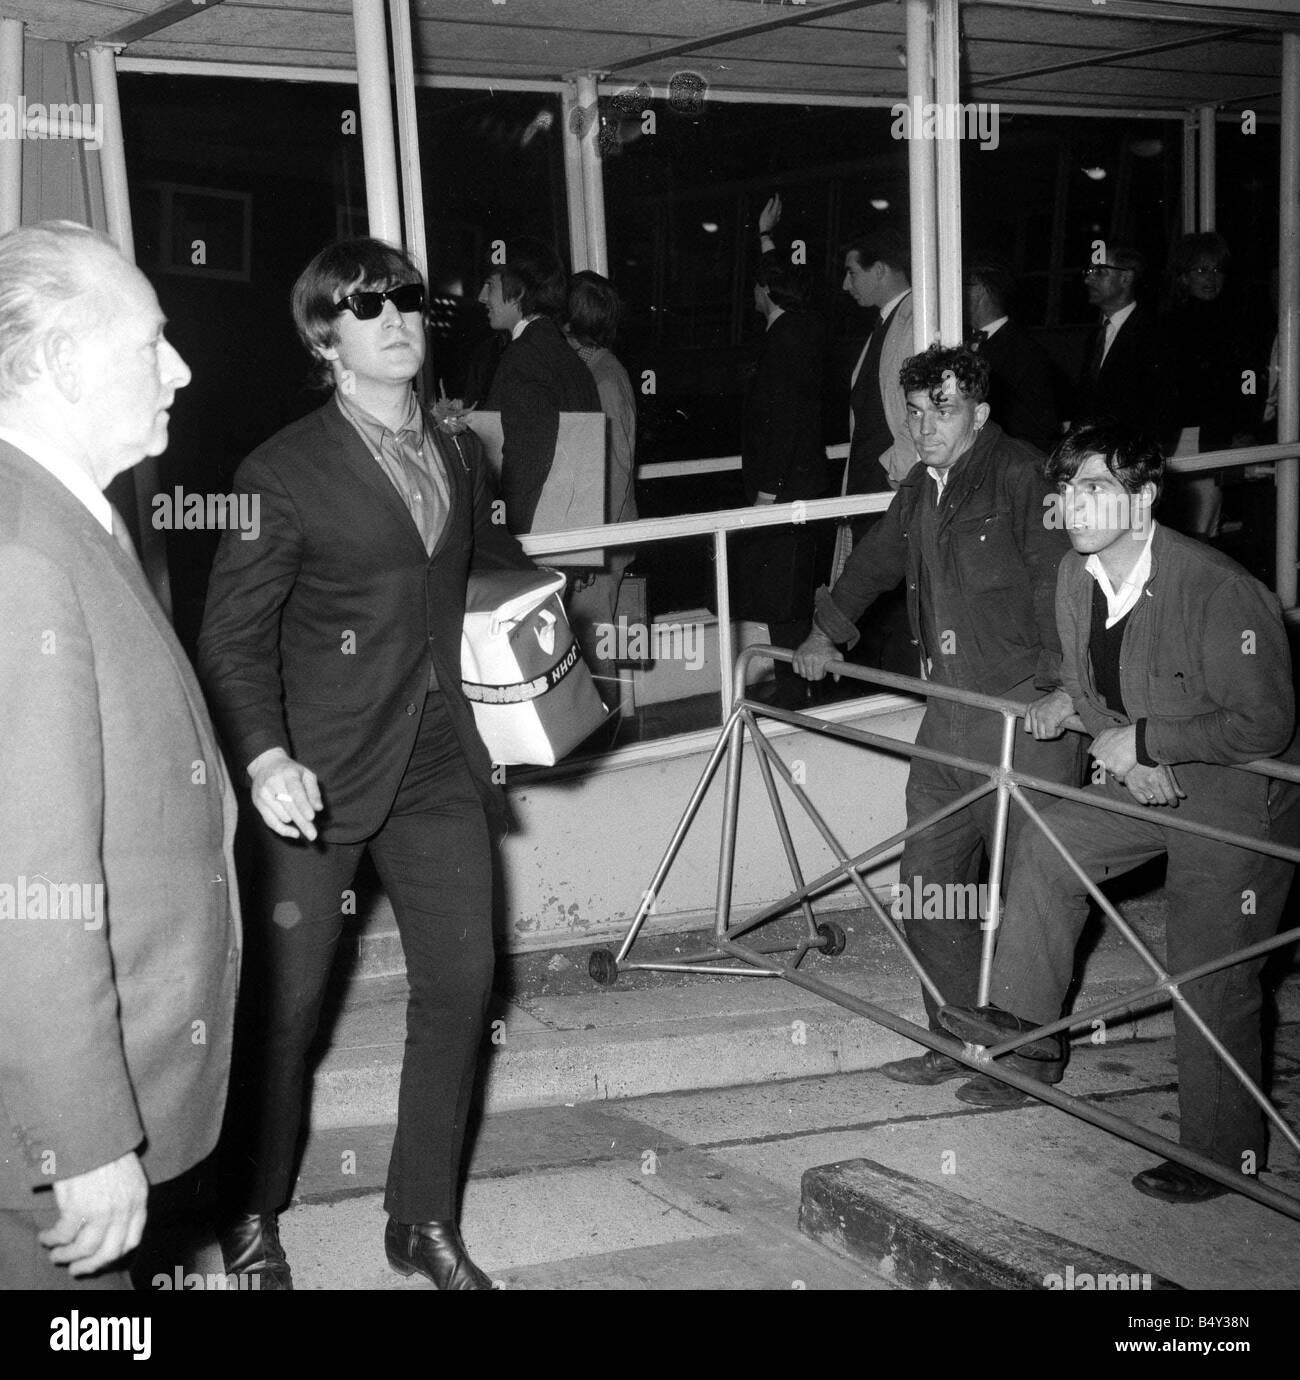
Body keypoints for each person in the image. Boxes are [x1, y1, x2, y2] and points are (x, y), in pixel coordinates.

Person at [198, 237, 535, 1289]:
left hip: (438, 761)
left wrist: (549, 657)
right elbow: (230, 639)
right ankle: (251, 1213)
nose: (396, 320)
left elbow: (474, 575)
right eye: (364, 306)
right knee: (288, 1009)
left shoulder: (457, 449)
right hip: (321, 775)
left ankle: (419, 1220)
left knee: (464, 981)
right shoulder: (280, 471)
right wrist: (264, 761)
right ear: (324, 336)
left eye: (407, 303)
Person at [938, 421, 1299, 1202]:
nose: (1074, 503)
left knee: (1209, 972)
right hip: (1151, 776)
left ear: (1143, 499)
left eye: (1096, 487)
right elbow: (1097, 689)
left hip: (1243, 798)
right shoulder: (1078, 575)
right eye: (1066, 488)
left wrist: (1150, 744)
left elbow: (1265, 724)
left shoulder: (1218, 589)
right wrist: (1105, 727)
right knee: (1050, 842)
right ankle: (1026, 1044)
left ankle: (1221, 1156)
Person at [0, 221, 240, 1288]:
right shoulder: (21, 554)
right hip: (50, 1137)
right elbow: (28, 885)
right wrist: (87, 1139)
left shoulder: (67, 519)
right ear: (58, 363)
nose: (180, 369)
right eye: (151, 343)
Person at [794, 345, 1080, 1094]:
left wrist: (1066, 692)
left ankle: (1030, 1062)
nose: (923, 427)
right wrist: (828, 629)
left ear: (979, 413)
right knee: (927, 883)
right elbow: (876, 564)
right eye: (915, 412)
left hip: (1026, 718)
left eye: (941, 410)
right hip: (949, 716)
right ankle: (957, 1040)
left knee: (1033, 901)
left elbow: (1068, 587)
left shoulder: (1025, 476)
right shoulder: (923, 486)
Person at [735, 247, 827, 702]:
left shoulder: (784, 338)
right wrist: (768, 238)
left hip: (784, 491)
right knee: (791, 595)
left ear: (767, 290)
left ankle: (796, 691)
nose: (751, 293)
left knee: (782, 598)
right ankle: (801, 686)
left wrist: (767, 494)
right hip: (801, 485)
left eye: (757, 285)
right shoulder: (803, 332)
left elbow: (784, 418)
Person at [478, 237, 602, 536]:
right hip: (570, 533)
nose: (482, 297)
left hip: (536, 539)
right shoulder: (562, 354)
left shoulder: (525, 355)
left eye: (490, 286)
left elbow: (525, 463)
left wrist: (512, 542)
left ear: (518, 291)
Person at [1161, 232, 1270, 538]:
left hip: (1214, 436)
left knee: (1202, 527)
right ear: (1183, 277)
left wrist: (1245, 425)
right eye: (1200, 270)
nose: (1211, 278)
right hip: (1173, 437)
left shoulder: (1237, 324)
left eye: (1217, 270)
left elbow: (1248, 381)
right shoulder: (1167, 326)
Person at [562, 269, 639, 701]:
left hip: (601, 548)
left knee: (595, 655)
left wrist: (591, 551)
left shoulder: (604, 380)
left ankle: (608, 744)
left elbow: (614, 470)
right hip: (598, 544)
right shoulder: (595, 372)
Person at [1071, 245, 1177, 449]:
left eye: (1099, 272)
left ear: (1126, 279)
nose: (1088, 280)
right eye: (1089, 272)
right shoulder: (1095, 337)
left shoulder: (1154, 335)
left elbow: (1162, 410)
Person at [964, 260, 1061, 454]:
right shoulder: (963, 342)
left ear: (981, 290)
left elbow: (1040, 424)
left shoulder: (1025, 350)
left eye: (965, 286)